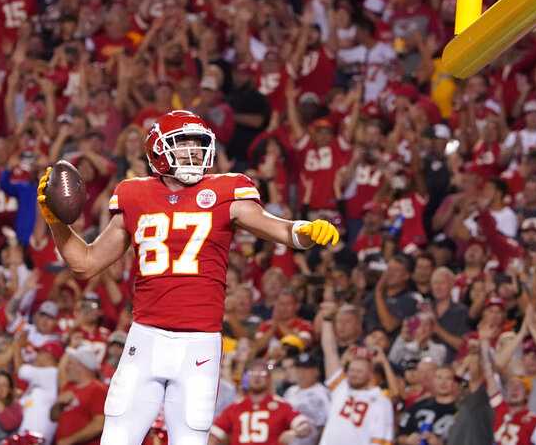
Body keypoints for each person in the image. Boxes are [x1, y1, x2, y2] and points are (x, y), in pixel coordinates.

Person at [37, 110, 339, 445]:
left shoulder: (228, 190)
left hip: (200, 341)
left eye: (198, 144)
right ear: (158, 151)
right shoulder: (134, 194)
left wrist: (305, 231)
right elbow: (86, 262)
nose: (194, 152)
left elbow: (277, 227)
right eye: (183, 144)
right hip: (146, 336)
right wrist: (56, 223)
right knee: (118, 436)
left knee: (190, 440)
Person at [317, 301, 395, 445]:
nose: (353, 374)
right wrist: (327, 320)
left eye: (359, 371)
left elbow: (382, 440)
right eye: (352, 370)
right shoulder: (341, 388)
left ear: (370, 374)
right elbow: (330, 351)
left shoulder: (380, 400)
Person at [209, 360, 310, 445]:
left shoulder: (281, 405)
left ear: (269, 378)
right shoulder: (235, 407)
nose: (257, 377)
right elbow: (214, 435)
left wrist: (294, 433)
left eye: (262, 373)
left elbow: (304, 425)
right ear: (246, 379)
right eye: (252, 373)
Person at [52, 344, 109, 445]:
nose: (67, 367)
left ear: (82, 366)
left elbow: (99, 424)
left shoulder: (98, 389)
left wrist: (69, 441)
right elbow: (53, 417)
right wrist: (58, 404)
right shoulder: (69, 386)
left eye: (70, 363)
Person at [282, 353, 330, 445]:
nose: (302, 373)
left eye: (306, 369)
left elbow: (327, 425)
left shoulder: (322, 393)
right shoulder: (290, 391)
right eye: (299, 368)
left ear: (316, 371)